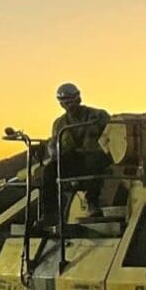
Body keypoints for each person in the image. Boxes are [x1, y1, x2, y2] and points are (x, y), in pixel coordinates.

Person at [45, 82, 111, 218]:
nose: (70, 106)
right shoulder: (59, 124)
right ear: (61, 104)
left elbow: (115, 136)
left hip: (98, 157)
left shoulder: (99, 116)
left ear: (78, 99)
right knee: (49, 171)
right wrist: (54, 154)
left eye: (72, 101)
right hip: (74, 161)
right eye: (66, 103)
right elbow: (55, 144)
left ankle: (93, 202)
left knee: (96, 161)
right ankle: (49, 214)